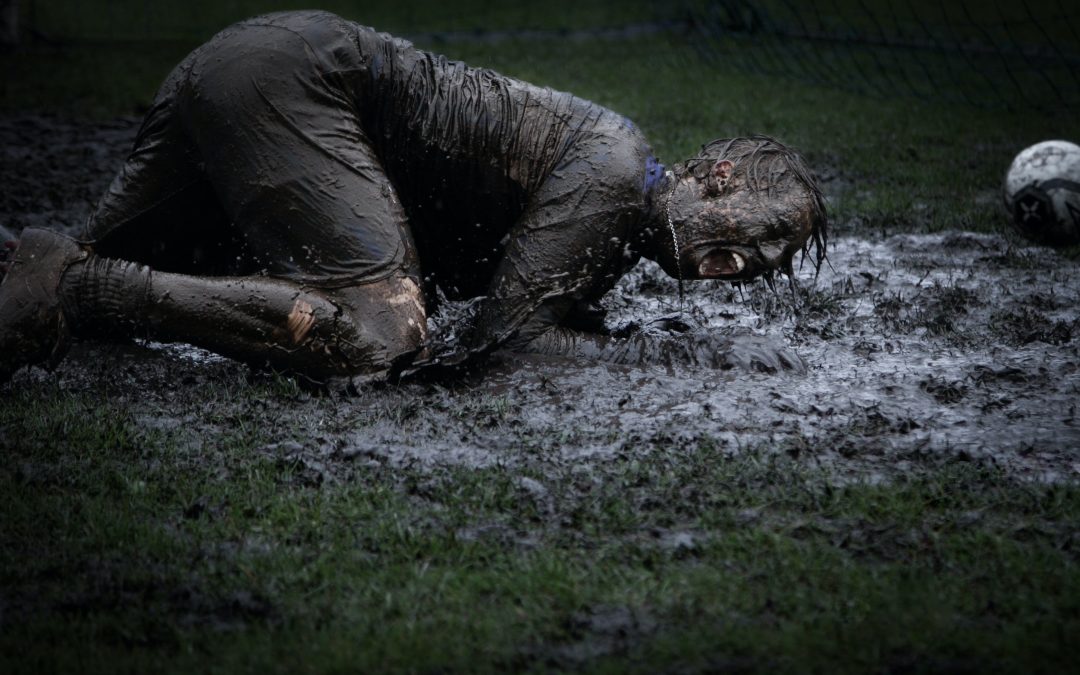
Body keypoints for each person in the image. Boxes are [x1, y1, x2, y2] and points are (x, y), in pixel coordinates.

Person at [0, 10, 826, 386]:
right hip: (293, 82)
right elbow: (501, 353)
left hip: (257, 65)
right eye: (755, 237)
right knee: (381, 338)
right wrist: (680, 355)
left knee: (43, 279)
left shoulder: (618, 202)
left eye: (763, 267)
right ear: (718, 180)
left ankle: (59, 272)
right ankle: (82, 288)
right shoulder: (617, 171)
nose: (740, 266)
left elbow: (526, 317)